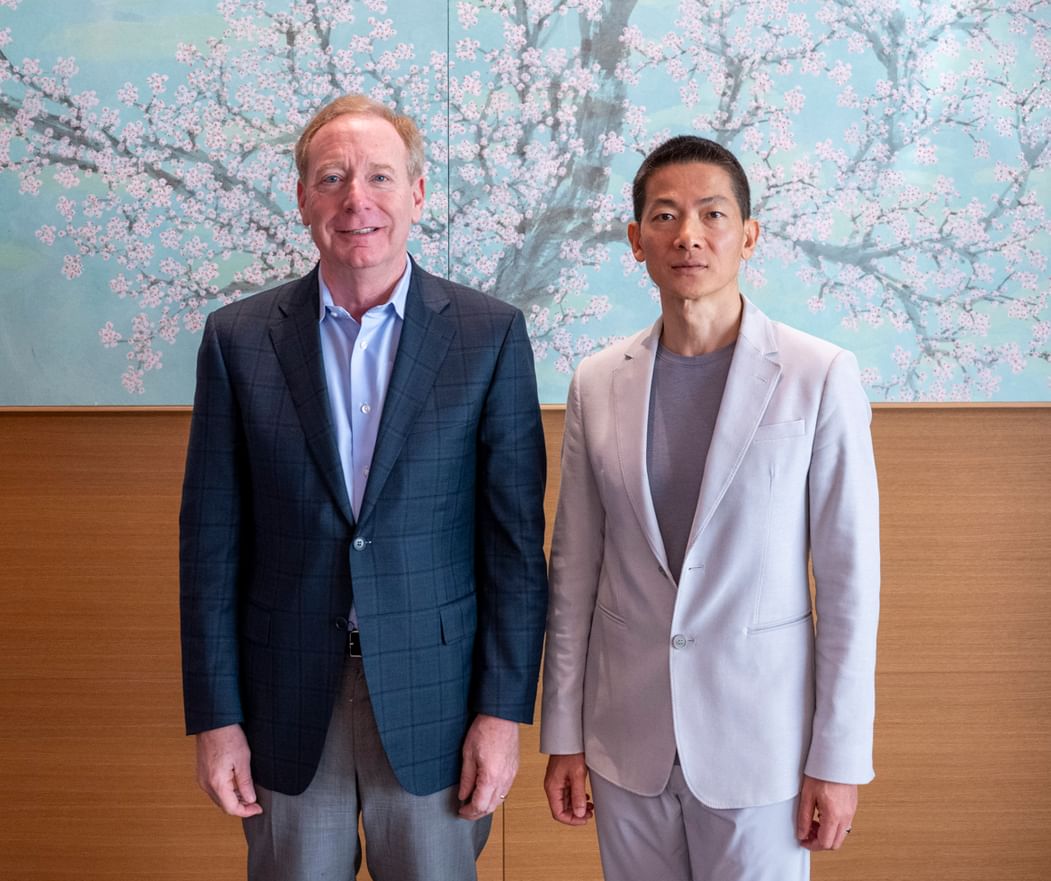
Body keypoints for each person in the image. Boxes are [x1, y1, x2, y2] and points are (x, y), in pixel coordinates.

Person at [179, 94, 548, 881]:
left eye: (380, 176)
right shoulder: (237, 340)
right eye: (332, 178)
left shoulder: (487, 335)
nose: (357, 199)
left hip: (438, 703)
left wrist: (502, 712)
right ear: (302, 198)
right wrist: (216, 718)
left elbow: (513, 549)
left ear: (417, 193)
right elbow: (210, 547)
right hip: (283, 699)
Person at [540, 135, 880, 881]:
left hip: (762, 743)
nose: (687, 235)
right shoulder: (597, 381)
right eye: (664, 216)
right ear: (636, 241)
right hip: (627, 739)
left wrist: (838, 757)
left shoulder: (818, 374)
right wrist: (562, 732)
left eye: (712, 215)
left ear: (748, 236)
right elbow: (573, 573)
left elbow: (849, 583)